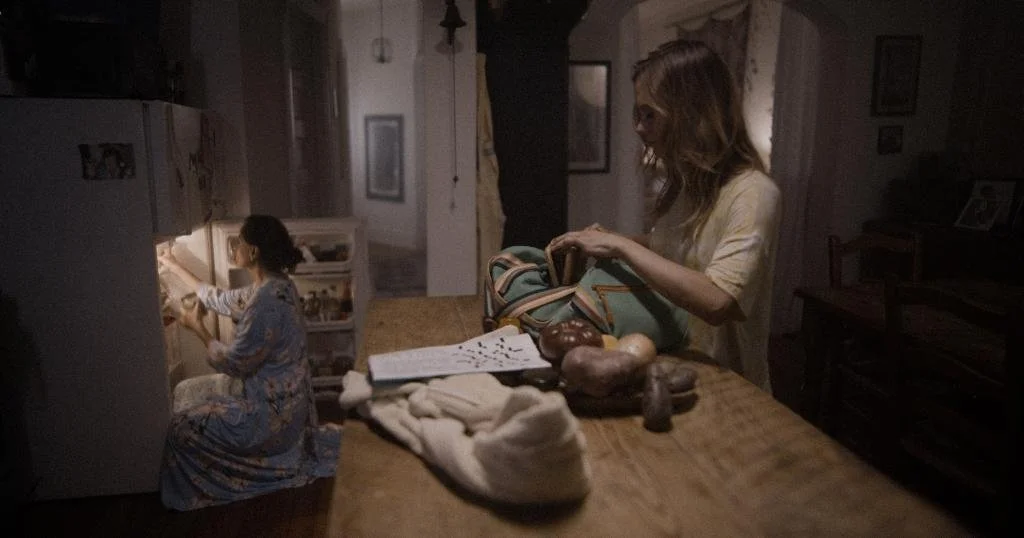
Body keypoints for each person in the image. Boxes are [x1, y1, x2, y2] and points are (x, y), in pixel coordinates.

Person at [548, 40, 781, 393]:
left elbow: (717, 301)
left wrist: (618, 246)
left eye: (649, 115)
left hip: (729, 384)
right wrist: (610, 240)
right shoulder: (690, 185)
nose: (639, 128)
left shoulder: (754, 194)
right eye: (637, 116)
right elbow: (667, 250)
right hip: (671, 365)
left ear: (692, 112)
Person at [157, 214, 342, 510]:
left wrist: (197, 328)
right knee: (190, 400)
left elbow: (235, 364)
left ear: (253, 252)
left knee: (182, 429)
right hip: (290, 410)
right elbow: (220, 298)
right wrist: (173, 265)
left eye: (238, 243)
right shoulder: (277, 286)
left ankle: (232, 481)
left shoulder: (265, 302)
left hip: (271, 419)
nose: (234, 248)